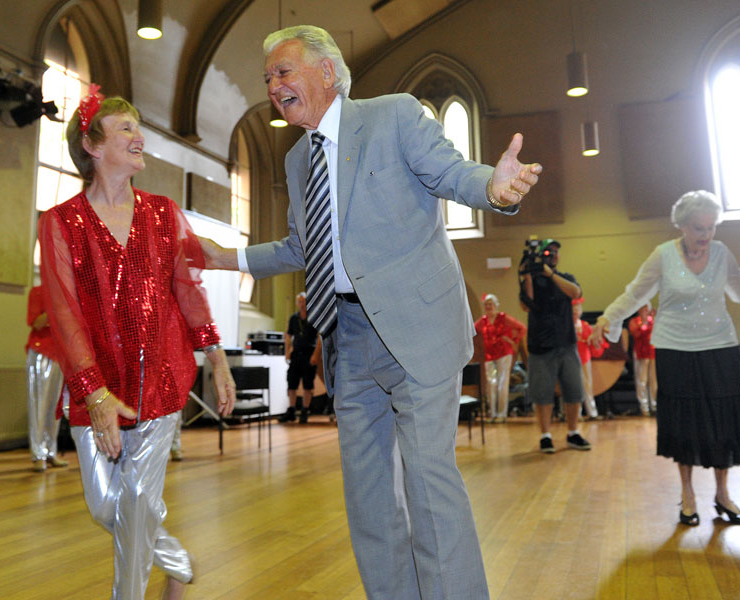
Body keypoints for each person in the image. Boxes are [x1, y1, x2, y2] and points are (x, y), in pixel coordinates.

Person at [199, 25, 542, 600]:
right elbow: (302, 247)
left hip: (417, 327)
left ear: (326, 72)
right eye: (267, 79)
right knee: (369, 495)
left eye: (284, 72)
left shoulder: (394, 116)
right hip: (347, 338)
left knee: (430, 483)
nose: (273, 86)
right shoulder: (294, 161)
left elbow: (450, 172)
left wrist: (495, 188)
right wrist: (227, 256)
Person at [38, 86, 236, 600]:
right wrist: (94, 392)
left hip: (162, 382)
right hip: (96, 388)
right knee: (106, 507)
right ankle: (178, 562)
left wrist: (216, 358)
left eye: (137, 126)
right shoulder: (59, 223)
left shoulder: (163, 213)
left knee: (137, 508)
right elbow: (63, 313)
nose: (138, 136)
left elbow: (188, 292)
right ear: (93, 145)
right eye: (125, 128)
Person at [589, 190, 740, 527]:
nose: (705, 235)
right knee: (686, 422)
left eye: (710, 228)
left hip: (720, 347)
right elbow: (635, 293)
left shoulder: (722, 254)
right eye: (698, 228)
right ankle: (688, 496)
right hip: (675, 349)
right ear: (682, 226)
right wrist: (607, 318)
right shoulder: (663, 256)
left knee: (724, 421)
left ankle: (723, 495)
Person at [520, 239, 592, 453]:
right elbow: (526, 304)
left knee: (574, 390)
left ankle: (573, 433)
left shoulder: (565, 278)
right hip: (540, 347)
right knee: (542, 394)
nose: (554, 255)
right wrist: (526, 275)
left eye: (556, 252)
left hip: (567, 344)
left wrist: (550, 274)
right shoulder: (532, 279)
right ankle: (545, 436)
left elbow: (576, 293)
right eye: (550, 252)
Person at [25, 284, 68, 471]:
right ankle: (38, 454)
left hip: (59, 353)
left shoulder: (64, 291)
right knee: (38, 405)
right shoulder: (38, 292)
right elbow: (37, 323)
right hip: (41, 353)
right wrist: (56, 309)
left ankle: (51, 451)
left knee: (54, 406)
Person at [474, 293, 526, 423]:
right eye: (486, 304)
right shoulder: (483, 321)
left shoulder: (503, 318)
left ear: (496, 305)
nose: (488, 306)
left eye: (490, 304)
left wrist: (514, 341)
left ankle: (502, 414)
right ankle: (493, 414)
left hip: (504, 353)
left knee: (503, 383)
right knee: (491, 384)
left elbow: (522, 328)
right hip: (489, 355)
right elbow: (471, 331)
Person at [280, 291, 320, 423]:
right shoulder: (293, 318)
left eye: (304, 301)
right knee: (291, 382)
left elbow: (320, 337)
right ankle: (291, 410)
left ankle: (305, 410)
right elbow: (288, 336)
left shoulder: (314, 317)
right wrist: (287, 351)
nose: (302, 304)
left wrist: (316, 355)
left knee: (308, 384)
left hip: (309, 354)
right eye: (300, 301)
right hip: (296, 353)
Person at [572, 297, 602, 420]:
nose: (576, 312)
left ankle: (592, 412)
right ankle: (575, 414)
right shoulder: (567, 326)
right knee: (574, 386)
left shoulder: (585, 325)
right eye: (573, 310)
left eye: (578, 309)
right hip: (572, 358)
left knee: (587, 385)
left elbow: (593, 342)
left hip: (585, 357)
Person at [628, 303, 657, 416]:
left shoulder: (653, 320)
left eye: (646, 308)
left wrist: (652, 321)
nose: (645, 310)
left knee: (653, 380)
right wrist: (644, 323)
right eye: (642, 308)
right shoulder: (634, 321)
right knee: (642, 380)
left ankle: (654, 405)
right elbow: (636, 333)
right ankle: (644, 407)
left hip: (652, 353)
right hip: (640, 354)